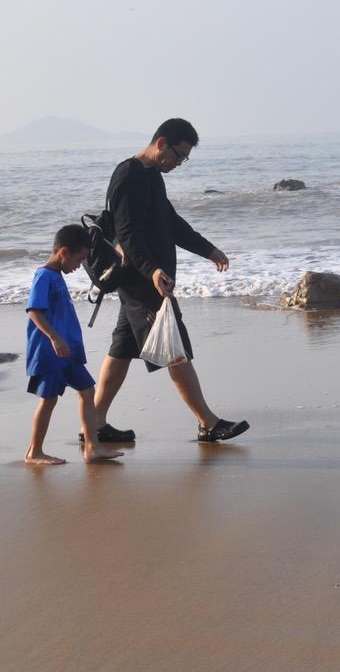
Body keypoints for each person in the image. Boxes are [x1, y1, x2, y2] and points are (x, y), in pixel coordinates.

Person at [90, 118, 249, 444]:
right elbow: (126, 233)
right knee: (174, 347)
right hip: (143, 282)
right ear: (161, 143)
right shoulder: (129, 176)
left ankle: (93, 424)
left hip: (146, 280)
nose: (179, 163)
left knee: (122, 350)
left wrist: (208, 249)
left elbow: (171, 223)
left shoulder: (151, 176)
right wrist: (151, 271)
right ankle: (207, 423)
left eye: (185, 158)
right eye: (179, 155)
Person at [25, 224, 124, 465]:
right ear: (64, 252)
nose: (79, 266)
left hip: (67, 353)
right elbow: (34, 311)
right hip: (51, 353)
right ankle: (34, 452)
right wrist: (55, 338)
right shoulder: (44, 276)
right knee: (48, 400)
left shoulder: (56, 276)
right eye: (79, 259)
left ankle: (92, 447)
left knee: (88, 392)